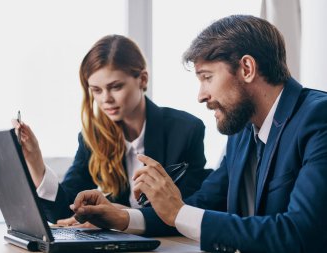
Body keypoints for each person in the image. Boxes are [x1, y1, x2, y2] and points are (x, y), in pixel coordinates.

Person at [70, 15, 327, 253]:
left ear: (247, 68)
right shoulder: (242, 131)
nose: (201, 95)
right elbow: (204, 205)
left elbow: (300, 233)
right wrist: (123, 217)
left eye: (207, 77)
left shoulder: (318, 118)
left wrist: (178, 211)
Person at [13, 34, 212, 226]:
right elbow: (64, 212)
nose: (105, 99)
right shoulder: (92, 137)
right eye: (96, 90)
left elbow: (186, 211)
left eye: (115, 87)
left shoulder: (185, 130)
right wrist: (36, 162)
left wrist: (123, 215)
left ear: (142, 79)